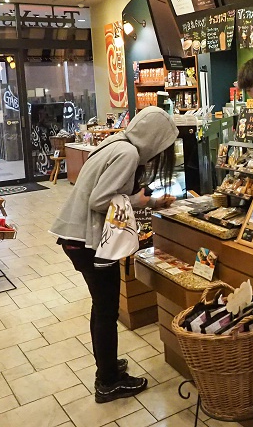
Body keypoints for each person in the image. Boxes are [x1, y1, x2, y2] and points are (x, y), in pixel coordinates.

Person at [50, 106, 178, 403]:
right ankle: (107, 382)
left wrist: (152, 203)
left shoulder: (117, 142)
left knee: (103, 307)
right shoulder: (128, 154)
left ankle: (107, 366)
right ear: (156, 139)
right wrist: (137, 199)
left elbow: (107, 194)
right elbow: (101, 200)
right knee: (106, 310)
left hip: (76, 236)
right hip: (87, 241)